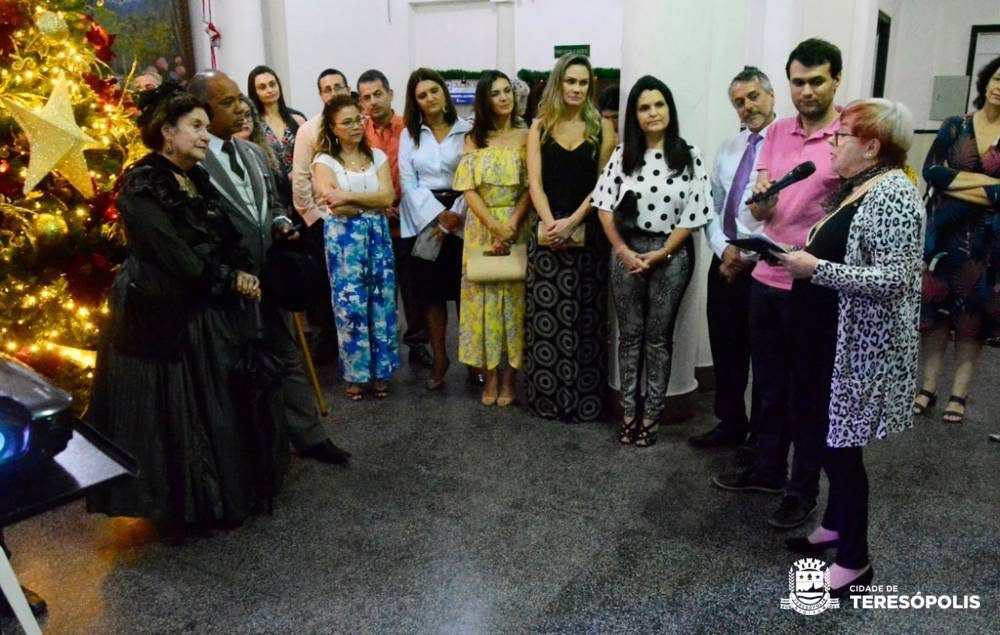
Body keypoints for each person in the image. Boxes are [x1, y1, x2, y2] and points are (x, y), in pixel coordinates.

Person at [86, 85, 269, 533]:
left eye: (206, 127)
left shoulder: (195, 176)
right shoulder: (142, 184)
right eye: (196, 127)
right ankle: (185, 506)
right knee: (172, 409)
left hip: (200, 301)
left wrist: (240, 269)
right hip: (159, 308)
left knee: (210, 404)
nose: (206, 135)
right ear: (167, 132)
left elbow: (222, 235)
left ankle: (219, 496)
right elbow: (174, 254)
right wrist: (228, 279)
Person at [776, 98, 923, 597]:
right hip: (826, 339)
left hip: (856, 349)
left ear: (872, 147)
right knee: (822, 433)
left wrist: (814, 268)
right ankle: (836, 524)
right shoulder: (861, 186)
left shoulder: (895, 193)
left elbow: (894, 280)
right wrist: (797, 257)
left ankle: (856, 561)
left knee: (840, 450)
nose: (832, 143)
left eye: (842, 136)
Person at [712, 39, 844, 530]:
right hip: (767, 276)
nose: (806, 91)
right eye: (798, 82)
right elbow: (763, 210)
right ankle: (768, 469)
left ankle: (802, 489)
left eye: (816, 81)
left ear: (836, 80)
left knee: (805, 393)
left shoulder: (849, 133)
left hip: (813, 283)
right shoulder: (777, 133)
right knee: (768, 386)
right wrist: (763, 201)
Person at [187, 70, 350, 464]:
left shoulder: (253, 153)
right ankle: (255, 450)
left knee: (288, 356)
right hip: (228, 287)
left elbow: (275, 203)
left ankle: (310, 436)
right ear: (203, 111)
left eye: (238, 99)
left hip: (269, 279)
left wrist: (279, 222)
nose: (241, 108)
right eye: (227, 102)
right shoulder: (194, 162)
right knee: (238, 369)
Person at [593, 75, 712, 446]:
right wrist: (623, 250)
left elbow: (696, 210)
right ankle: (629, 412)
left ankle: (652, 415)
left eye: (659, 104)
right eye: (644, 107)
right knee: (629, 337)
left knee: (658, 339)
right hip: (626, 252)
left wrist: (663, 252)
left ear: (669, 109)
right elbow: (603, 205)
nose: (652, 112)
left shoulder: (688, 155)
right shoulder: (622, 155)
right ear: (635, 115)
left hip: (671, 255)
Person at [524, 54, 615, 421]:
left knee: (585, 318)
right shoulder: (540, 126)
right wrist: (551, 224)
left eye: (583, 83)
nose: (577, 89)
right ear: (559, 82)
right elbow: (534, 182)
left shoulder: (602, 128)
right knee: (547, 319)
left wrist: (573, 221)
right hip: (547, 232)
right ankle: (548, 400)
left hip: (588, 232)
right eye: (571, 81)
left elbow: (603, 184)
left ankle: (583, 401)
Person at [689, 66, 775, 448]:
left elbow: (787, 215)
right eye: (739, 102)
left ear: (771, 96)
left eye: (753, 97)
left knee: (765, 356)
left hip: (764, 266)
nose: (747, 106)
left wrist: (747, 254)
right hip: (724, 262)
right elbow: (713, 206)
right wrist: (724, 250)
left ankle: (761, 438)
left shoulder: (786, 147)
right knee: (726, 347)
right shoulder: (728, 148)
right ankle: (730, 423)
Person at [913, 55, 1000, 424]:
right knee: (933, 316)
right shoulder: (956, 125)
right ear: (986, 81)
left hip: (986, 246)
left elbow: (949, 180)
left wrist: (957, 183)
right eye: (997, 78)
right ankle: (927, 388)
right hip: (943, 239)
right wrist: (989, 184)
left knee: (971, 321)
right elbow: (932, 172)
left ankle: (958, 395)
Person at [453, 70, 532, 407]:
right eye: (495, 93)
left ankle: (511, 376)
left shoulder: (527, 135)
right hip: (481, 226)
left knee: (514, 303)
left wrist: (510, 224)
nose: (503, 98)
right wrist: (493, 226)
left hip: (518, 223)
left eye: (507, 91)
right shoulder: (474, 138)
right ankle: (490, 376)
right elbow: (468, 188)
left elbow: (532, 186)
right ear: (484, 100)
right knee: (481, 303)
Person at [312, 94, 399, 399]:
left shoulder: (377, 156)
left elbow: (388, 196)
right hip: (344, 241)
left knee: (382, 303)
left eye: (358, 119)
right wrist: (369, 203)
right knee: (351, 306)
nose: (355, 126)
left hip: (378, 238)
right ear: (332, 128)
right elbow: (335, 206)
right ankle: (356, 375)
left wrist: (349, 196)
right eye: (346, 122)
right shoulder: (324, 161)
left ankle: (381, 372)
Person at [398, 68, 474, 390]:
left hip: (463, 214)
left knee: (465, 293)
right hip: (425, 219)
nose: (429, 98)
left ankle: (472, 360)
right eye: (421, 95)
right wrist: (437, 217)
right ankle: (440, 358)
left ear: (444, 93)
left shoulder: (467, 129)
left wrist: (455, 213)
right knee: (431, 296)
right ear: (414, 101)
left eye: (434, 91)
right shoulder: (409, 135)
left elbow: (473, 176)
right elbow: (407, 181)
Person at [358, 69, 432, 370]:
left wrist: (400, 203)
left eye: (378, 94)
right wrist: (378, 203)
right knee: (378, 291)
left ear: (390, 94)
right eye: (366, 97)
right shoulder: (359, 133)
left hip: (408, 221)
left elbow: (419, 172)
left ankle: (417, 343)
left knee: (413, 289)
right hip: (373, 224)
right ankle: (382, 347)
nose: (373, 102)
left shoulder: (410, 129)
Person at [247, 65, 306, 207]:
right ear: (255, 92)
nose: (269, 90)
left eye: (272, 84)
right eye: (262, 87)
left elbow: (311, 155)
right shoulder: (253, 125)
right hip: (273, 194)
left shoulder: (297, 119)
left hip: (302, 189)